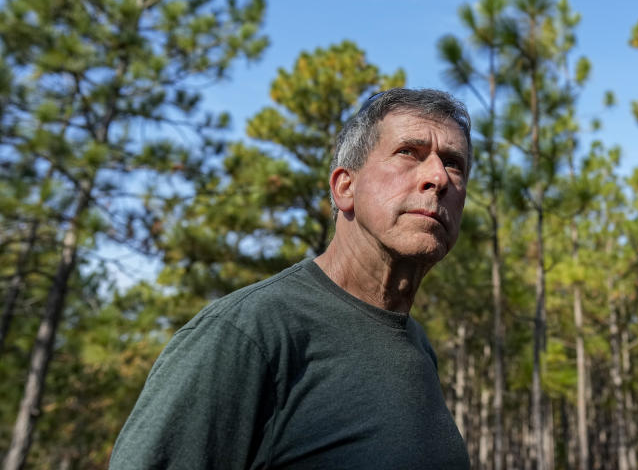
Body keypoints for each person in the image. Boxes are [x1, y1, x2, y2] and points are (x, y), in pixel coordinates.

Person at [111, 88, 472, 469]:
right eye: (408, 153)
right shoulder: (249, 332)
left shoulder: (417, 347)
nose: (438, 177)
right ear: (345, 188)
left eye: (453, 164)